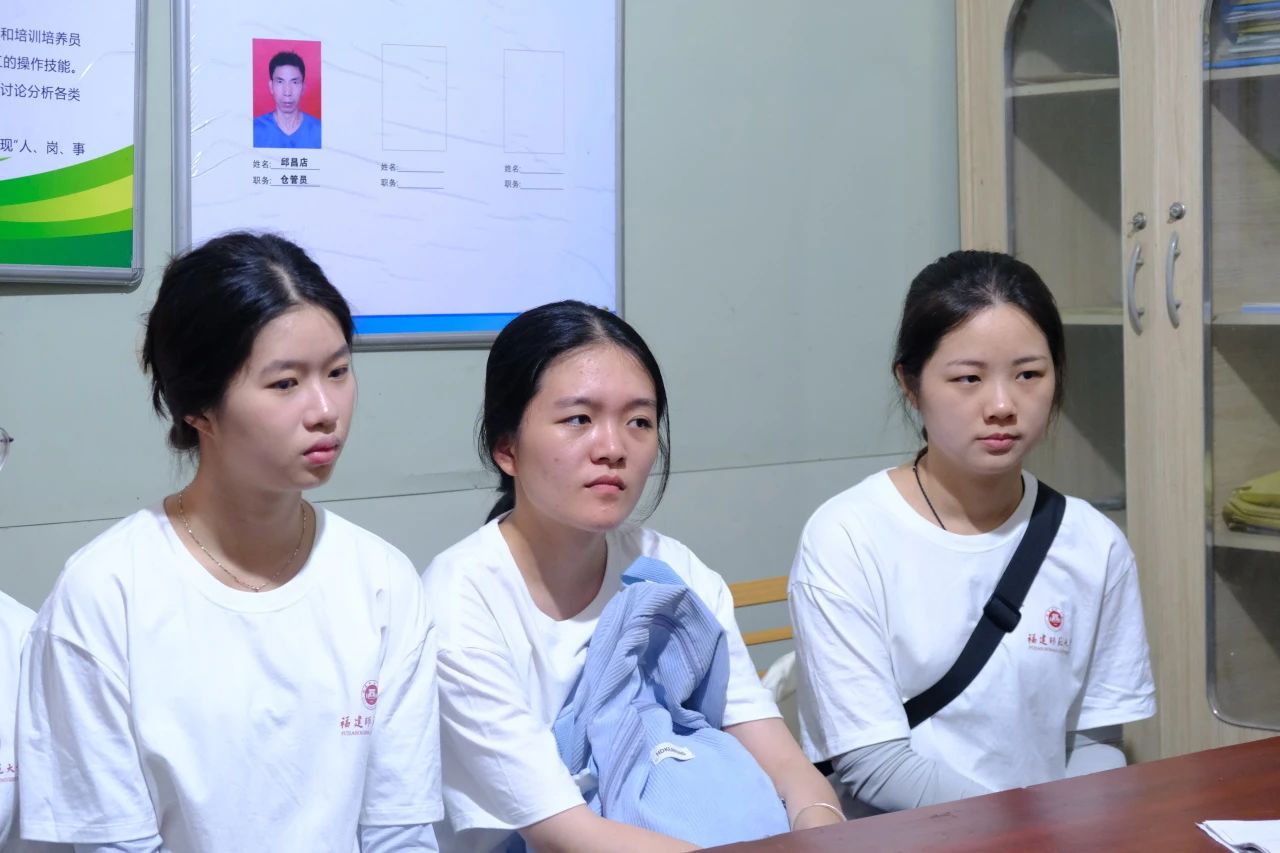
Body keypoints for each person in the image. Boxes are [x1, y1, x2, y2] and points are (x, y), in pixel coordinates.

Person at [17, 233, 440, 851]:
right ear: (199, 408)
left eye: (338, 371)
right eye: (285, 383)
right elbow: (115, 842)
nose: (325, 409)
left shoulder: (381, 581)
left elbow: (398, 830)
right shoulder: (106, 592)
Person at [422, 301, 842, 852]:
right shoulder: (460, 599)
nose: (613, 449)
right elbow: (566, 833)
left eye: (639, 421)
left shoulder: (672, 572)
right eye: (579, 419)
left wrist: (818, 824)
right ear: (507, 448)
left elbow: (786, 766)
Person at [789, 250, 1156, 814]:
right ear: (910, 385)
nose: (1003, 405)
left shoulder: (1094, 543)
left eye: (1029, 374)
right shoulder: (847, 537)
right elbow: (873, 764)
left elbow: (1092, 741)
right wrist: (1024, 832)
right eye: (969, 378)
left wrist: (1068, 833)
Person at [253, 50, 322, 149]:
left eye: (295, 82)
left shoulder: (320, 131)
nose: (287, 92)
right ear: (271, 86)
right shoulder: (254, 130)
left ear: (303, 87)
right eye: (280, 82)